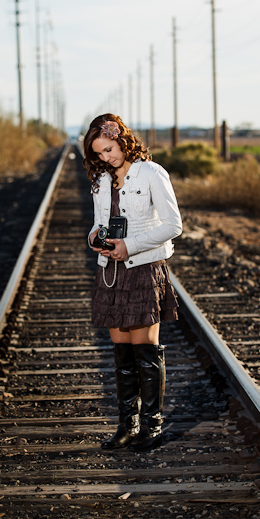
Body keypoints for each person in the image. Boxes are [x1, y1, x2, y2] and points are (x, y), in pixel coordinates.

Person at [83, 114, 183, 451]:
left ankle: (152, 427)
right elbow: (99, 223)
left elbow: (173, 225)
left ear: (122, 141)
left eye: (108, 150)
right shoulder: (100, 180)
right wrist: (95, 238)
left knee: (145, 351)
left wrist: (130, 245)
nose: (105, 158)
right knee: (122, 353)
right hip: (110, 271)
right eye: (99, 154)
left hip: (142, 268)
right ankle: (127, 425)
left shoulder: (152, 173)